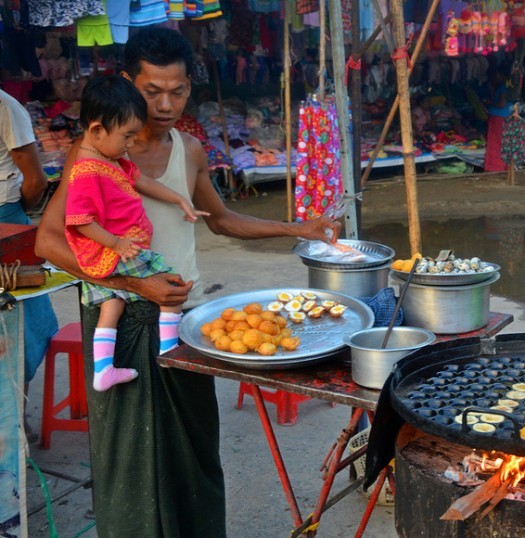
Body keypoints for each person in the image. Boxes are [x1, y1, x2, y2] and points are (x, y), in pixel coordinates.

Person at [35, 27, 340, 537]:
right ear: (129, 83)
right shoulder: (93, 155)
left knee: (193, 446)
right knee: (130, 457)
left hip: (182, 315)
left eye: (177, 91)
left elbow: (220, 219)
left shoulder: (191, 150)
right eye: (152, 91)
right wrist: (135, 287)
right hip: (122, 315)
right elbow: (48, 243)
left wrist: (295, 227)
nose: (166, 103)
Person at [66, 75, 208, 391]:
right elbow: (79, 220)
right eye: (127, 136)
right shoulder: (86, 172)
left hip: (110, 256)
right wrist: (116, 242)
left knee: (112, 305)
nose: (131, 144)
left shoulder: (110, 157)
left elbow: (139, 180)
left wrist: (178, 197)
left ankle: (103, 370)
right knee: (174, 284)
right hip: (119, 251)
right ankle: (170, 349)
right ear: (96, 130)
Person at [0, 88, 59, 441]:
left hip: (7, 220)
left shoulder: (7, 107)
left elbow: (35, 181)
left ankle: (15, 413)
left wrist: (14, 216)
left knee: (27, 323)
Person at [483, 63, 514, 172]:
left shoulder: (503, 87)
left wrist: (489, 102)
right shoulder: (508, 86)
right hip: (502, 117)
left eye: (497, 74)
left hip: (498, 117)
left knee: (496, 142)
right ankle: (499, 166)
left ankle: (496, 166)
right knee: (500, 142)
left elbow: (501, 104)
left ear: (501, 74)